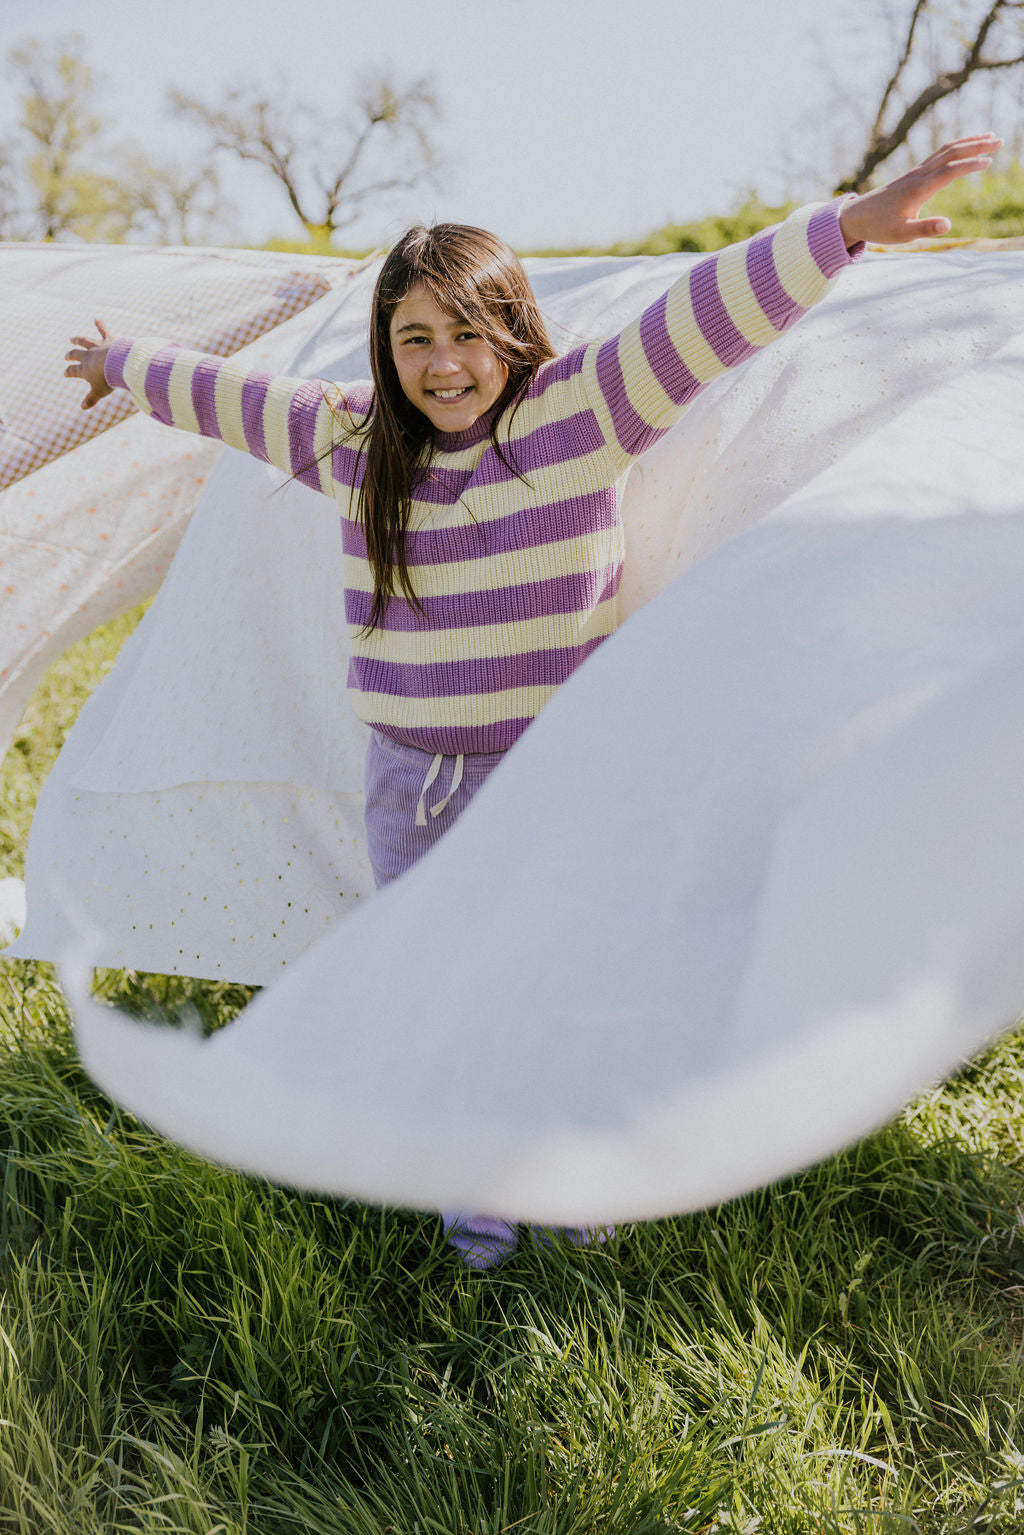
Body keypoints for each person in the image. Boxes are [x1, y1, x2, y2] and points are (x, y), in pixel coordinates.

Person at [65, 136, 1000, 1267]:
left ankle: (570, 1202)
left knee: (560, 991)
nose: (443, 362)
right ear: (385, 348)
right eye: (414, 337)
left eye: (467, 331)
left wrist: (844, 227)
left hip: (552, 782)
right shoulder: (359, 442)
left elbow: (702, 312)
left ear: (511, 331)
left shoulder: (580, 412)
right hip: (410, 785)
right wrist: (122, 362)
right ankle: (477, 1217)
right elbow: (232, 398)